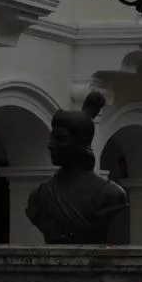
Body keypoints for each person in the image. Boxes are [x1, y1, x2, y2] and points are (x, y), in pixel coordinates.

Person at [26, 92, 129, 244]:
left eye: (60, 139)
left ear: (80, 144)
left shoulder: (111, 195)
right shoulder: (39, 196)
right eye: (52, 138)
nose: (51, 145)